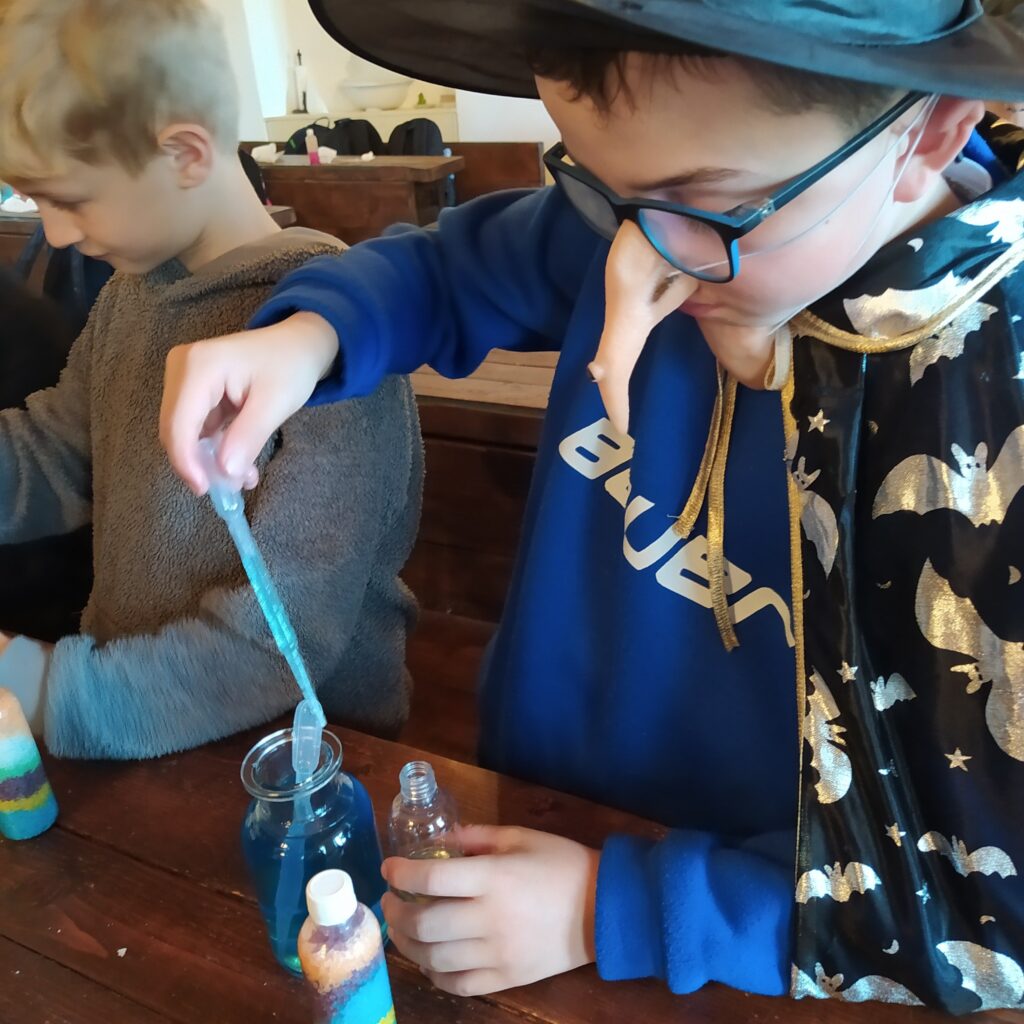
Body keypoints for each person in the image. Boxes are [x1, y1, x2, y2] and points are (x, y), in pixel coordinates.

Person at [159, 0, 1024, 1012]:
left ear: (931, 132)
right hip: (541, 808)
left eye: (707, 204)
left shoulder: (986, 421)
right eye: (601, 189)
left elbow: (979, 909)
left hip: (760, 937)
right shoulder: (652, 216)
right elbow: (448, 267)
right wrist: (310, 336)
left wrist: (604, 909)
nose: (640, 253)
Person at [0, 0, 422, 757]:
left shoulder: (329, 340)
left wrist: (39, 688)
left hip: (305, 754)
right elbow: (54, 453)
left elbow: (282, 640)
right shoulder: (129, 295)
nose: (54, 233)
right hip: (136, 715)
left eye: (70, 199)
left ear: (185, 154)